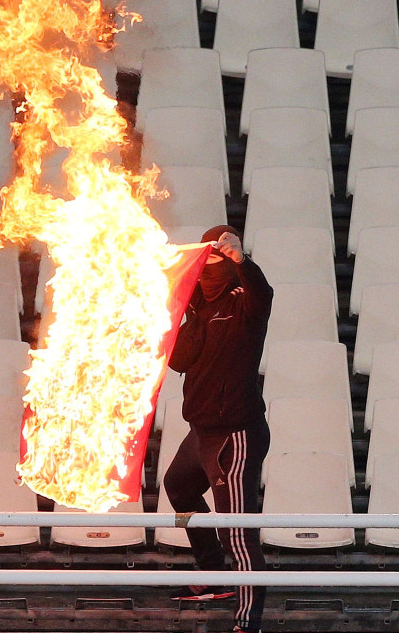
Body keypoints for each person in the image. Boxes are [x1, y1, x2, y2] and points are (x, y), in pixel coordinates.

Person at [164, 225, 273, 633]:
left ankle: (247, 623)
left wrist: (240, 260)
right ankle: (213, 574)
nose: (213, 264)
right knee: (179, 486)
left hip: (236, 434)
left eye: (220, 258)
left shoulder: (245, 301)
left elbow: (263, 293)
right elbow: (178, 360)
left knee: (238, 533)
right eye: (209, 257)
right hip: (201, 432)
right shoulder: (197, 309)